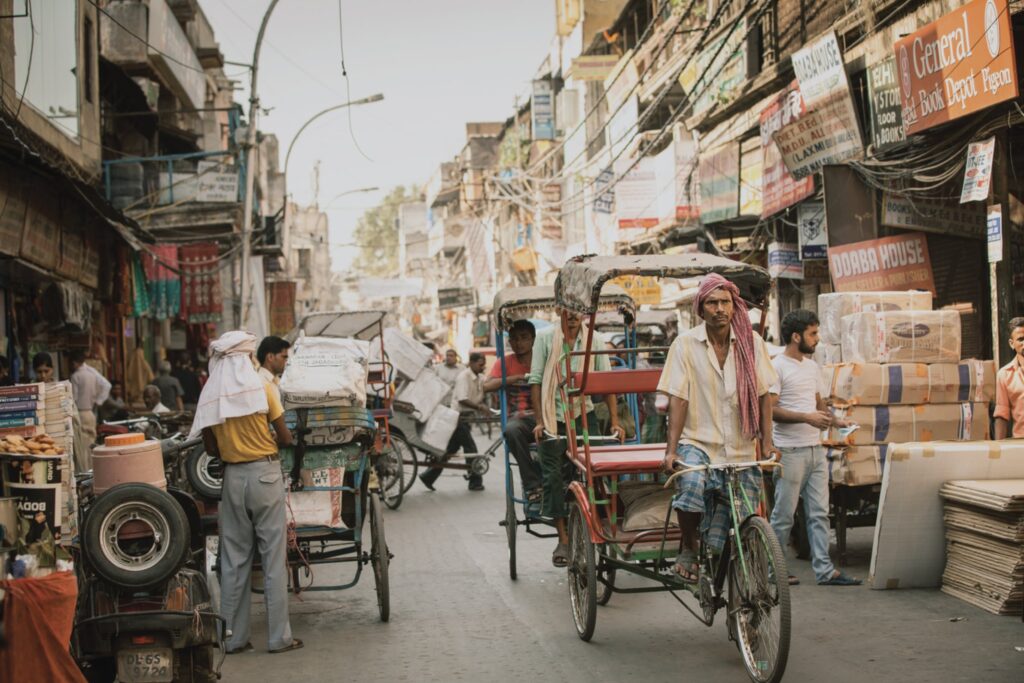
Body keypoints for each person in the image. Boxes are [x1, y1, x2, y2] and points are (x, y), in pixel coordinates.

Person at [658, 273, 778, 582]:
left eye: (725, 302)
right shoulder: (685, 345)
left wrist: (767, 443)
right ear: (701, 308)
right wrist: (671, 450)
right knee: (692, 482)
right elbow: (679, 399)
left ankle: (736, 575)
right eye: (712, 302)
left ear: (735, 306)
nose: (720, 309)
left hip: (739, 444)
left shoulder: (752, 343)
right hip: (697, 440)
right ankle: (688, 544)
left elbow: (765, 395)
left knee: (745, 516)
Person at [191, 331, 301, 655]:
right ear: (248, 358)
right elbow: (284, 438)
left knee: (234, 560)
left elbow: (210, 448)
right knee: (272, 560)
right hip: (265, 476)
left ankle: (233, 638)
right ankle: (279, 637)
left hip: (233, 479)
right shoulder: (263, 388)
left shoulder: (212, 396)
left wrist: (230, 442)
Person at [768, 310, 861, 586]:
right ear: (796, 337)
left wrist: (836, 420)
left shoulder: (811, 367)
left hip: (815, 450)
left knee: (820, 513)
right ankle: (775, 571)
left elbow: (818, 404)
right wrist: (806, 417)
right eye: (813, 333)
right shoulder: (777, 367)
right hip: (790, 452)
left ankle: (825, 570)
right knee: (784, 516)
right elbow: (771, 410)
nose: (817, 339)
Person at [531, 308, 624, 567]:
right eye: (567, 310)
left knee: (597, 473)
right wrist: (540, 421)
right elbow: (536, 381)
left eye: (577, 310)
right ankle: (562, 538)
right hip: (553, 416)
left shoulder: (594, 339)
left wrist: (615, 422)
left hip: (585, 416)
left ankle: (602, 527)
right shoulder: (545, 338)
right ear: (559, 310)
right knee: (553, 477)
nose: (572, 315)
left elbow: (606, 383)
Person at [483, 320, 541, 501]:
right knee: (511, 431)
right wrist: (514, 378)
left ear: (533, 339)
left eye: (524, 338)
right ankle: (532, 486)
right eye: (515, 339)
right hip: (520, 419)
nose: (519, 343)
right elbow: (486, 386)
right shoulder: (505, 362)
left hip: (545, 415)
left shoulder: (543, 358)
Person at [419, 352, 490, 492]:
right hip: (457, 417)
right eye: (481, 364)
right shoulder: (464, 376)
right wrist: (479, 407)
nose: (483, 367)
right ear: (472, 363)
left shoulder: (479, 377)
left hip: (465, 417)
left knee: (451, 449)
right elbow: (462, 399)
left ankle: (429, 476)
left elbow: (487, 385)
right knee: (471, 449)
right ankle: (475, 481)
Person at [69, 349, 112, 468]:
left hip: (80, 414)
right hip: (90, 414)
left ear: (74, 363)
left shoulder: (75, 376)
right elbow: (106, 386)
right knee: (91, 444)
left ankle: (85, 470)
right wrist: (98, 401)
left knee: (82, 446)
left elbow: (74, 398)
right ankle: (93, 469)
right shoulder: (92, 374)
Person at [995, 317, 1024, 440]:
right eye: (1021, 339)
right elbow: (1002, 415)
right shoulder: (1004, 374)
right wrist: (997, 451)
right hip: (1020, 445)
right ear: (1012, 344)